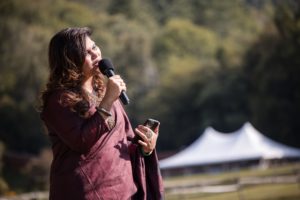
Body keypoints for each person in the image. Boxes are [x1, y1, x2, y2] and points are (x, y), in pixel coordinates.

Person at [40, 27, 164, 200]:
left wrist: (146, 147)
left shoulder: (103, 91)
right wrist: (108, 100)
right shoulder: (59, 100)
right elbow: (81, 142)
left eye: (95, 47)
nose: (95, 54)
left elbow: (124, 142)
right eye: (87, 52)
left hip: (125, 191)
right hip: (83, 192)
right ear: (69, 60)